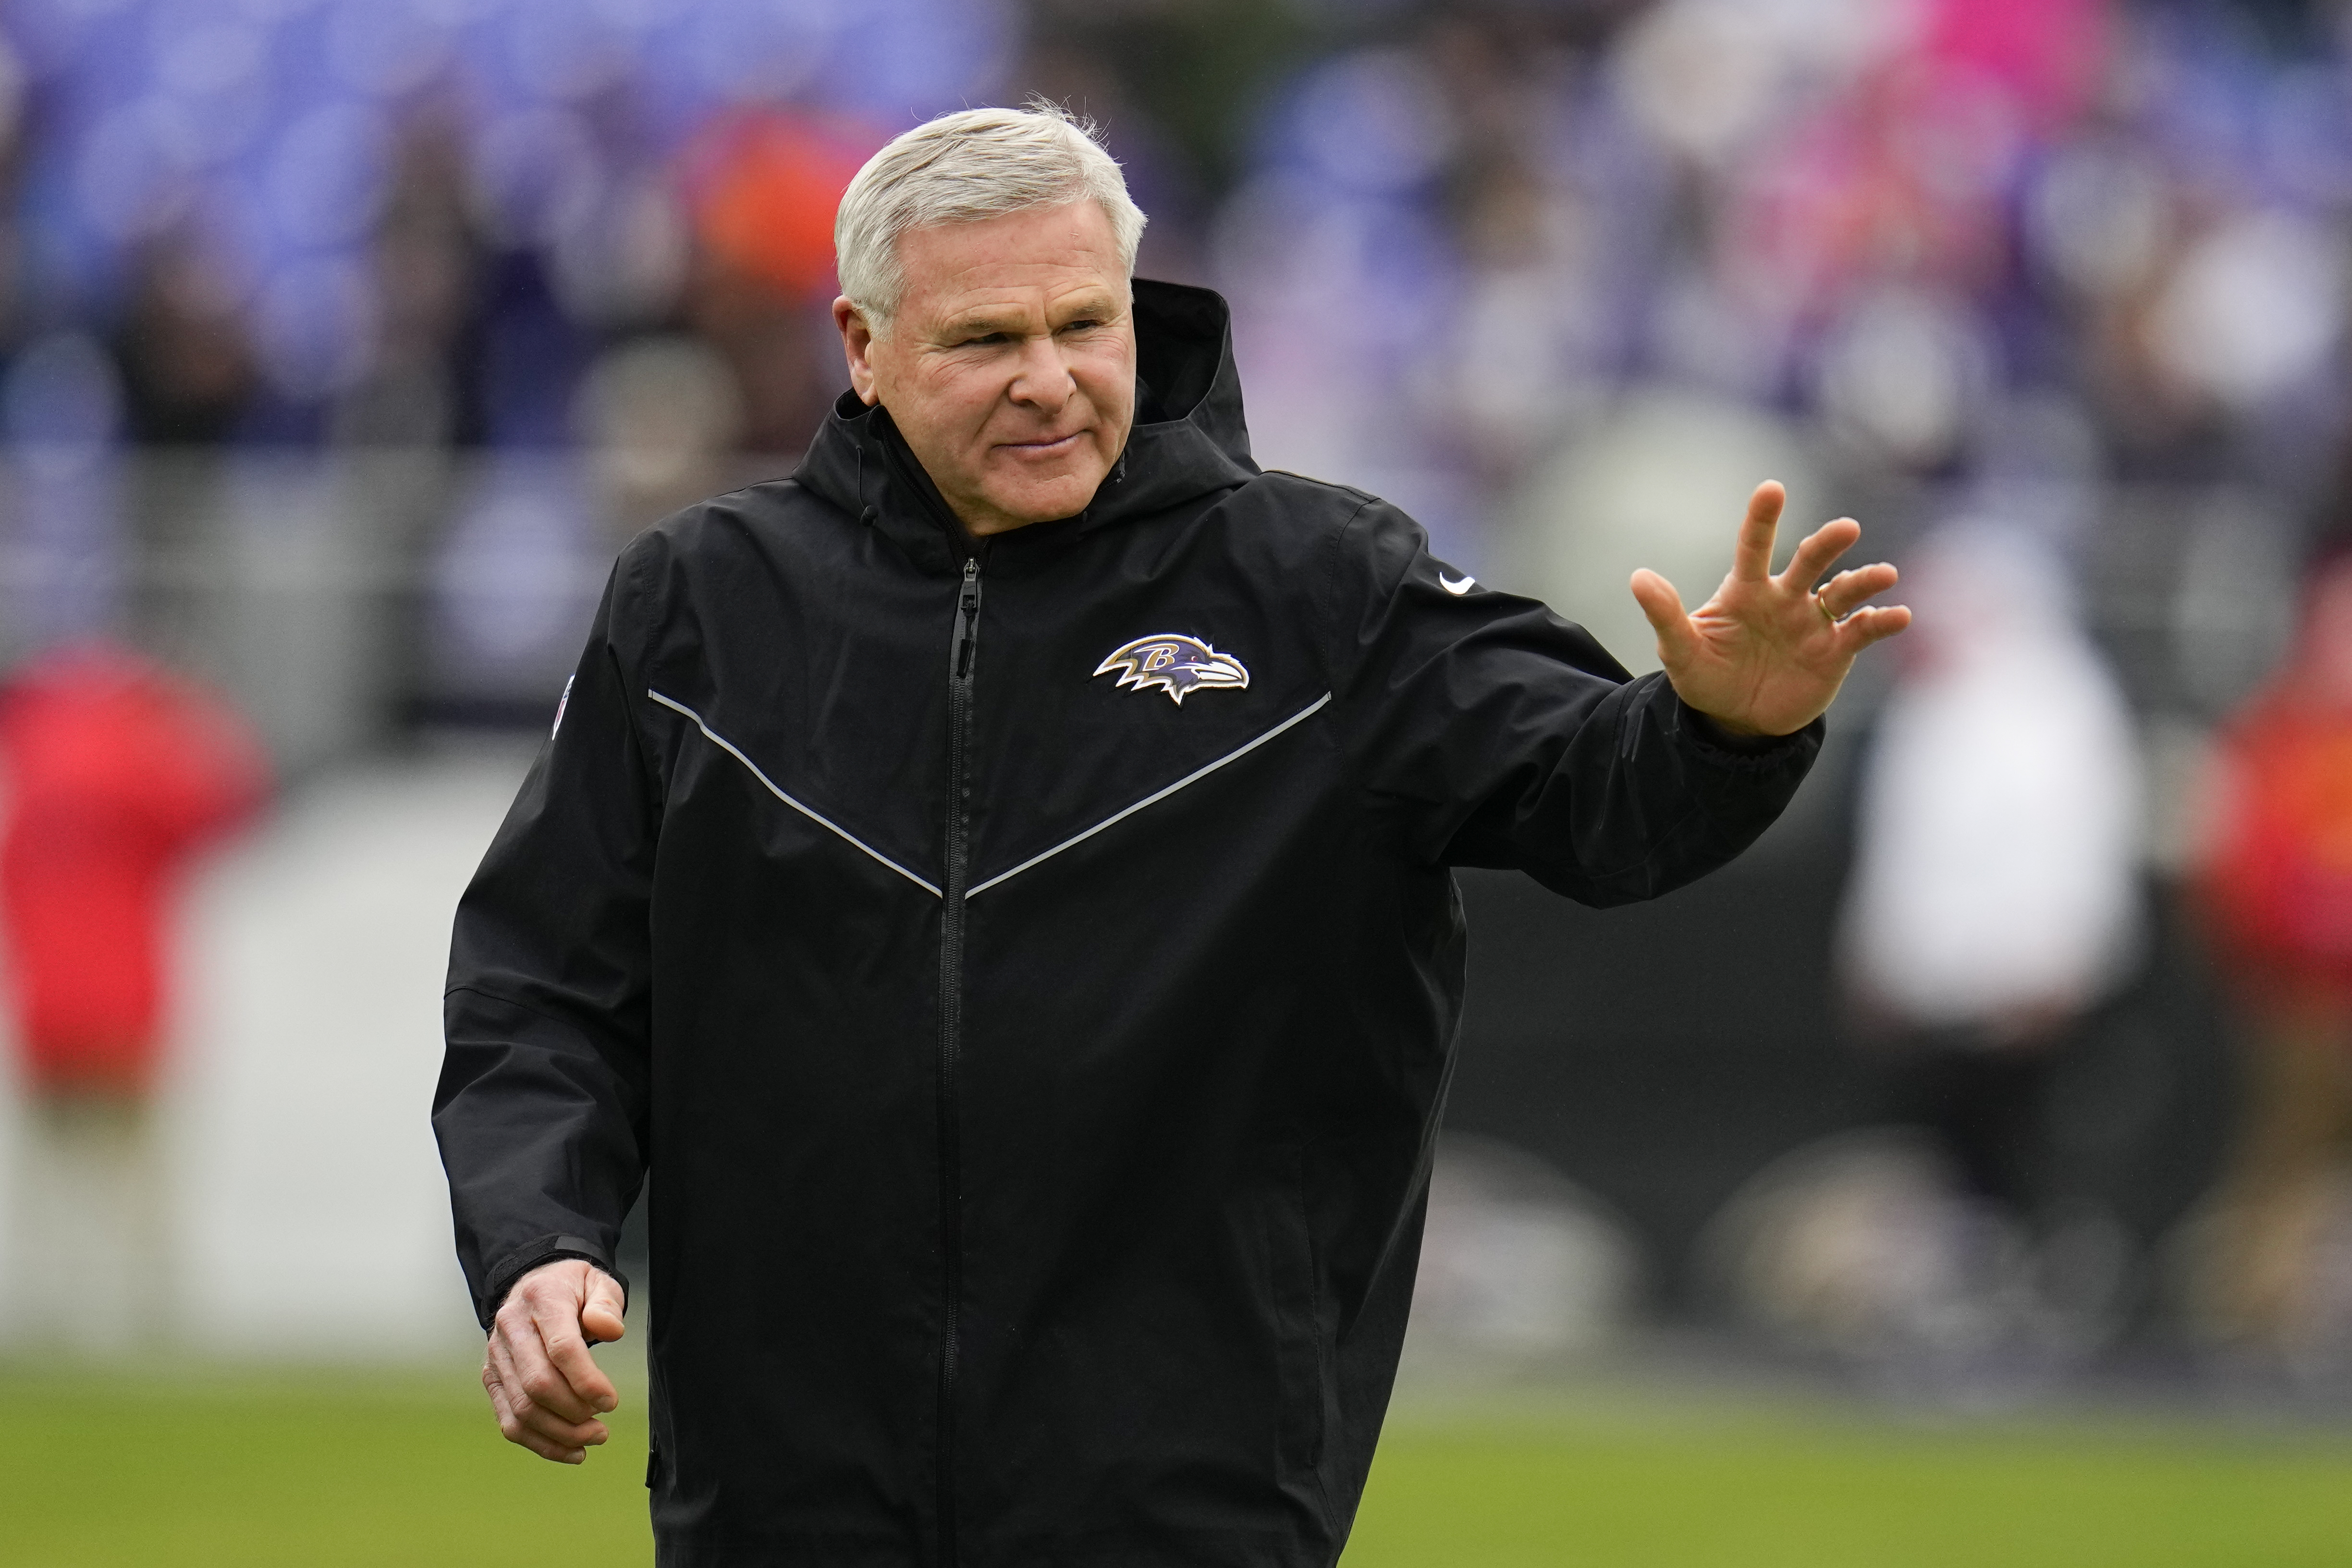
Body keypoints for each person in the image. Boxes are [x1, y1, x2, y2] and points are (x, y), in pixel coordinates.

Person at [433, 104, 1907, 1564]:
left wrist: (1726, 729)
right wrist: (536, 1241)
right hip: (778, 1502)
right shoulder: (698, 611)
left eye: (1085, 322)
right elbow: (544, 990)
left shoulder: (1321, 590)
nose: (1050, 380)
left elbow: (1601, 802)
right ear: (863, 348)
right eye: (985, 341)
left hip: (1186, 1500)